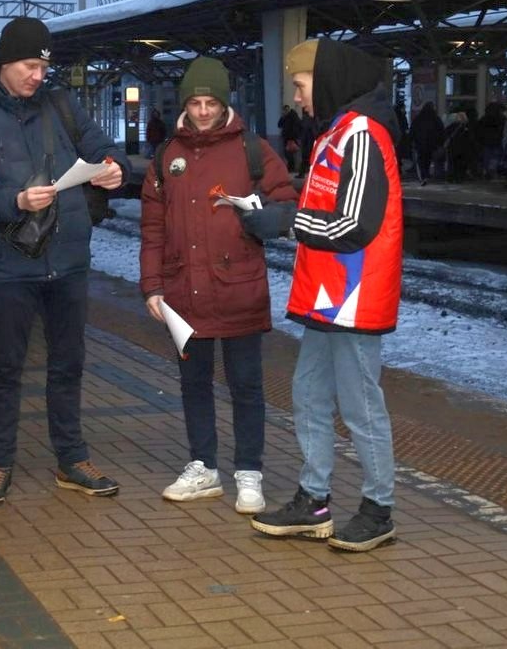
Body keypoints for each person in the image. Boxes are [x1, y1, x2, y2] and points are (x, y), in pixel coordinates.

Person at [0, 17, 131, 507]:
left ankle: (72, 459)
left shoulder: (63, 105)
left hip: (69, 259)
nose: (39, 75)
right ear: (7, 63)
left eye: (44, 66)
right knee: (6, 368)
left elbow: (102, 147)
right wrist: (14, 201)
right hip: (12, 265)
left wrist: (114, 168)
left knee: (68, 365)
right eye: (31, 65)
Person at [251, 38, 403, 553]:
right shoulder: (336, 133)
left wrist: (284, 222)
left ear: (327, 77)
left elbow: (354, 225)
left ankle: (378, 509)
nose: (297, 97)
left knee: (360, 405)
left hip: (354, 294)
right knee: (309, 396)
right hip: (329, 294)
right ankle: (313, 501)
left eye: (300, 84)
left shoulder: (361, 134)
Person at [139, 57, 297, 514]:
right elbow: (153, 227)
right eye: (195, 102)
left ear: (224, 102)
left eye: (211, 102)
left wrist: (261, 219)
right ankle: (203, 467)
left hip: (239, 287)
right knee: (194, 382)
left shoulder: (252, 149)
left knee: (246, 384)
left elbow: (286, 200)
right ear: (184, 104)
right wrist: (152, 285)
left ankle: (249, 474)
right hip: (183, 292)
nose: (204, 111)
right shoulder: (167, 155)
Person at [408, 101, 443, 185]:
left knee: (421, 160)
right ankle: (426, 174)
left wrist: (411, 140)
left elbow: (413, 130)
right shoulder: (435, 118)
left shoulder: (419, 118)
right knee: (427, 159)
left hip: (420, 143)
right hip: (431, 143)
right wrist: (439, 142)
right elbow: (441, 130)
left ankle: (423, 175)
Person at [278, 104, 302, 175]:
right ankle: (292, 167)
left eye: (285, 111)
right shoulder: (285, 117)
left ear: (288, 110)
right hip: (287, 138)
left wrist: (294, 136)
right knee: (288, 153)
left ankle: (292, 167)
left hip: (292, 138)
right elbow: (279, 125)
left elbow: (296, 126)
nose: (284, 112)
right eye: (283, 111)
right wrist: (282, 117)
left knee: (291, 153)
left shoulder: (293, 116)